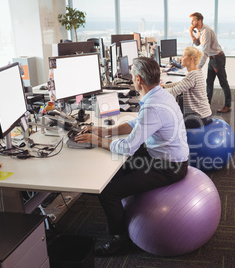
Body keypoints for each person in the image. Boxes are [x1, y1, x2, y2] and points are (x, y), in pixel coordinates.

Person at [75, 57, 189, 256]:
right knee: (114, 173)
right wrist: (102, 131)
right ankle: (122, 214)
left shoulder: (153, 106)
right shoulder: (160, 94)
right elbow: (136, 123)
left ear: (137, 79)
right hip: (161, 155)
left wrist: (95, 140)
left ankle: (120, 239)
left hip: (169, 166)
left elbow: (128, 147)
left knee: (108, 192)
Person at [189, 12, 232, 113]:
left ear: (199, 21)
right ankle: (206, 105)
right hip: (213, 59)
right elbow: (197, 43)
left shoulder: (206, 32)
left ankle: (228, 105)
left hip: (217, 58)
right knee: (209, 82)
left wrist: (198, 67)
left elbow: (205, 52)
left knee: (223, 82)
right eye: (191, 21)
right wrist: (191, 33)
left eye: (193, 20)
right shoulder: (201, 30)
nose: (191, 22)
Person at [163, 47, 212, 129]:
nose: (180, 58)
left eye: (183, 56)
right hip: (204, 115)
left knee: (169, 125)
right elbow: (181, 83)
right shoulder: (196, 72)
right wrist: (164, 86)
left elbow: (174, 91)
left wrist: (155, 92)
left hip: (199, 118)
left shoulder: (192, 75)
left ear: (190, 59)